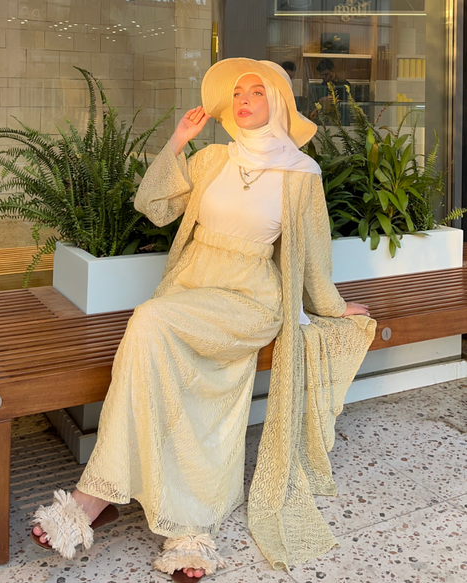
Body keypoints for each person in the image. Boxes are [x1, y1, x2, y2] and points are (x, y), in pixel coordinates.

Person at [32, 58, 375, 582]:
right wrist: (177, 142)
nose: (244, 100)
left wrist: (331, 307)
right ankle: (186, 526)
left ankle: (91, 498)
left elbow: (311, 255)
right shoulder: (213, 158)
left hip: (249, 299)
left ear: (277, 102)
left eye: (256, 92)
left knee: (149, 322)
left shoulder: (301, 173)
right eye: (237, 93)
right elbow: (153, 206)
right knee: (165, 359)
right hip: (191, 287)